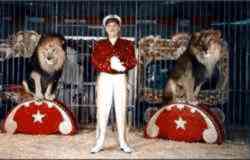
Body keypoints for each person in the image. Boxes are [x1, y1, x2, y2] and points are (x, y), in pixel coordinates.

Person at [90, 14, 137, 153]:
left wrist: (122, 66)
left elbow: (132, 60)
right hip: (105, 78)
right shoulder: (99, 44)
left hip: (120, 78)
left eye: (115, 26)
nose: (112, 28)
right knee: (102, 109)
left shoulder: (127, 44)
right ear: (105, 28)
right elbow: (95, 61)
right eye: (109, 26)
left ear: (119, 28)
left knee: (121, 108)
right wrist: (110, 66)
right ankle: (99, 142)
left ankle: (123, 142)